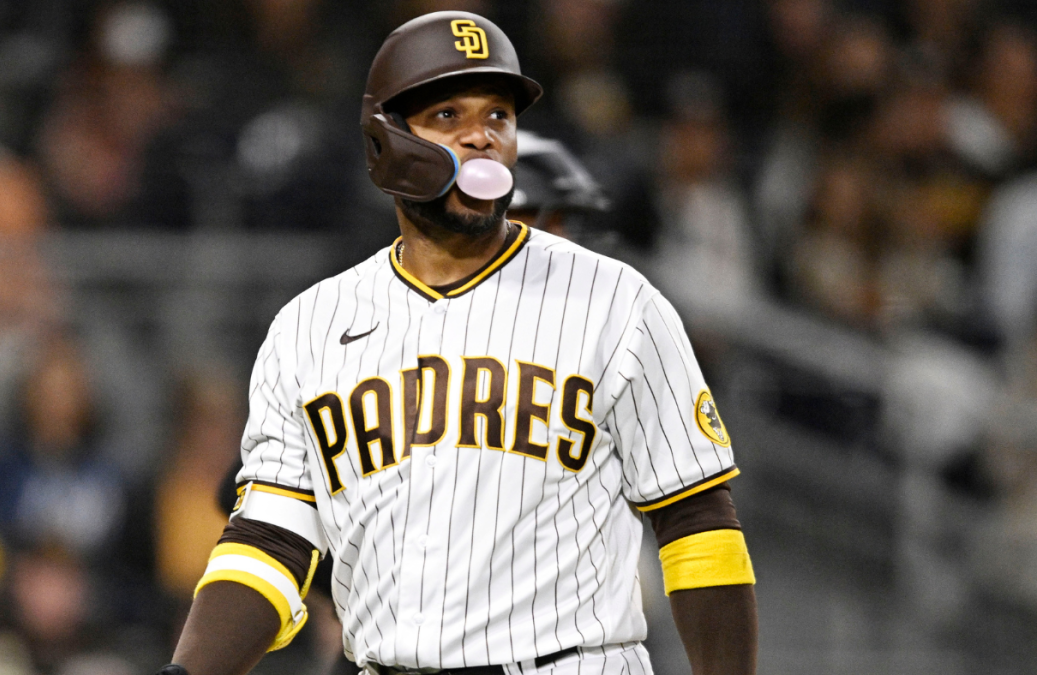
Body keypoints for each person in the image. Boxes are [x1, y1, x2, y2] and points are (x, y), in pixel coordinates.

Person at [163, 11, 757, 675]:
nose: (481, 135)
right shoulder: (309, 326)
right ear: (384, 139)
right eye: (447, 114)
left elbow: (697, 519)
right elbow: (266, 542)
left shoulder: (618, 303)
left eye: (497, 116)